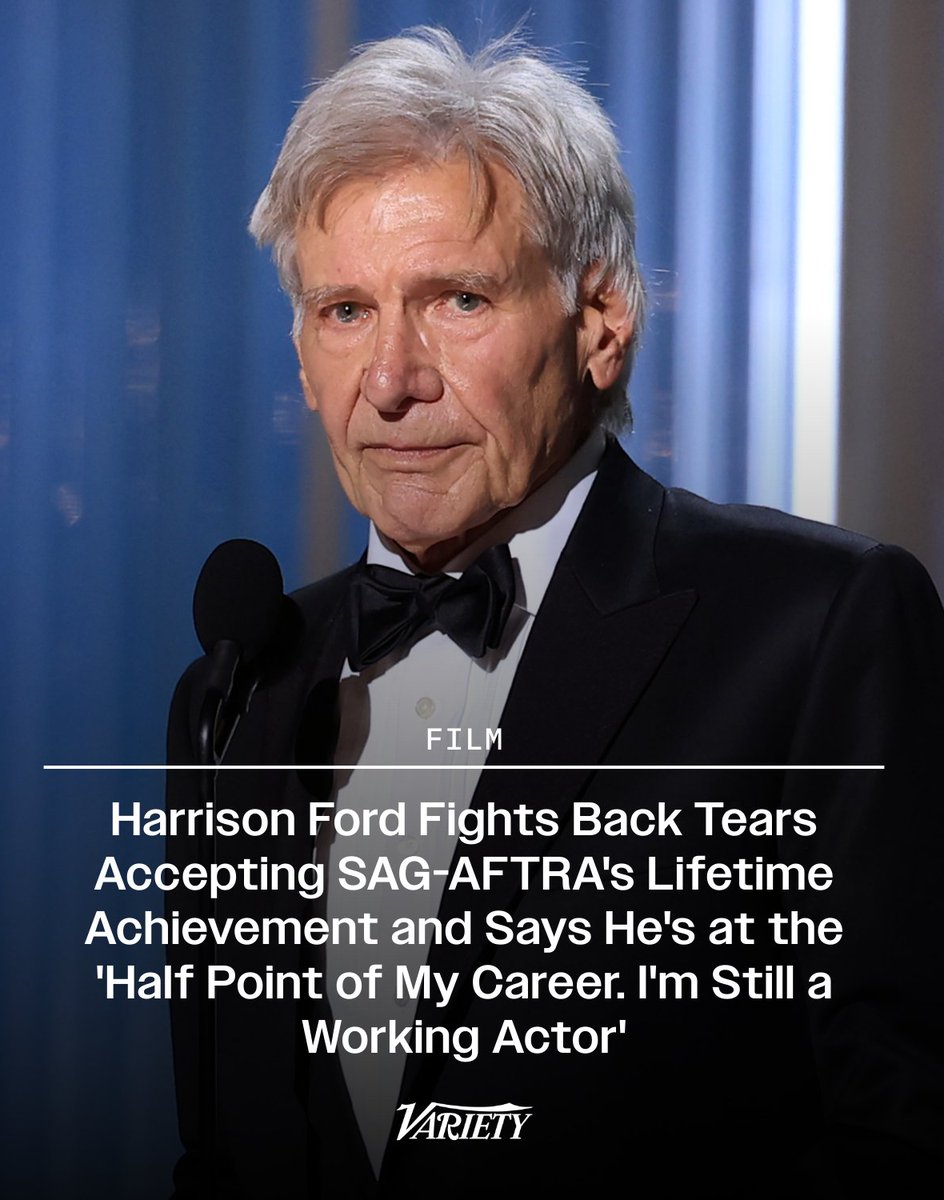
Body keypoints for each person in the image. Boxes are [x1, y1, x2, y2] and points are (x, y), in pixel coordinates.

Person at [166, 28, 944, 1199]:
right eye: (343, 312)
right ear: (300, 348)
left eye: (458, 300)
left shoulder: (823, 627)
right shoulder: (238, 685)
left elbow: (907, 1137)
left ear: (601, 322)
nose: (390, 379)